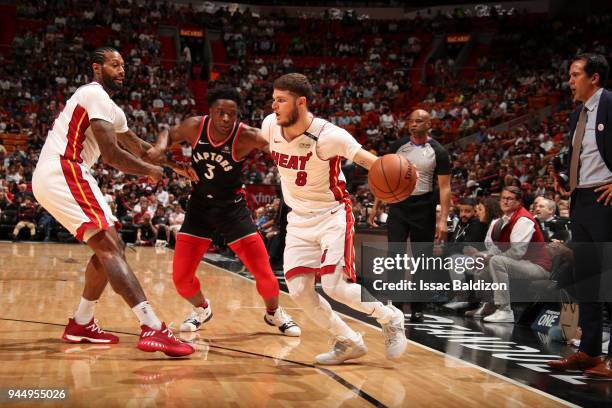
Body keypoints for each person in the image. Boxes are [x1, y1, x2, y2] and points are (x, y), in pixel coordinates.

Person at [31, 47, 194, 357]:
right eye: (114, 64)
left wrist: (176, 167)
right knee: (110, 245)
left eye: (124, 65)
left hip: (62, 173)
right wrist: (149, 172)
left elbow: (142, 147)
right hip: (63, 168)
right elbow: (112, 155)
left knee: (110, 247)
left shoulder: (111, 109)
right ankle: (153, 327)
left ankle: (81, 322)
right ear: (96, 69)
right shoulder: (92, 94)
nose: (122, 70)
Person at [261, 73, 407, 365]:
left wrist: (396, 175)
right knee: (300, 291)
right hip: (298, 220)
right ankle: (348, 341)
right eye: (273, 99)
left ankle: (390, 317)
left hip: (332, 215)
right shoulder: (269, 126)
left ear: (300, 103)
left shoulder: (329, 136)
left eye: (281, 100)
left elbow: (368, 160)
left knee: (334, 286)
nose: (274, 105)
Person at [148, 87, 300, 336]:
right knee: (181, 280)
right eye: (221, 113)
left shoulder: (247, 136)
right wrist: (159, 147)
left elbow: (281, 149)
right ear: (211, 112)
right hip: (199, 208)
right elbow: (168, 132)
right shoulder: (195, 126)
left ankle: (274, 314)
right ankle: (202, 309)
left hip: (232, 210)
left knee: (266, 276)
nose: (227, 119)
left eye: (232, 114)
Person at [548, 53, 612, 377]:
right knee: (588, 280)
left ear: (594, 78)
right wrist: (565, 177)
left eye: (575, 75)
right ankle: (590, 353)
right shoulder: (577, 115)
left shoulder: (611, 104)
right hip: (583, 200)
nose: (570, 81)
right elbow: (581, 154)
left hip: (607, 199)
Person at [368, 109, 452, 322]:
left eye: (419, 121)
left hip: (424, 206)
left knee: (421, 258)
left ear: (429, 124)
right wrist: (376, 206)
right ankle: (395, 305)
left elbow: (445, 188)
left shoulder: (438, 151)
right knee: (395, 255)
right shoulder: (398, 146)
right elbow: (383, 176)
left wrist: (442, 220)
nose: (414, 124)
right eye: (411, 121)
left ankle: (417, 307)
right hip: (398, 204)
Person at [467, 186, 551, 323]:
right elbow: (496, 248)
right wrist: (482, 256)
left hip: (537, 267)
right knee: (482, 266)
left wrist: (490, 258)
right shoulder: (503, 220)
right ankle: (488, 305)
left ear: (519, 202)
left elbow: (517, 252)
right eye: (503, 198)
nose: (505, 202)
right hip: (519, 264)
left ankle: (505, 310)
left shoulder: (523, 219)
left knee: (496, 262)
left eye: (510, 199)